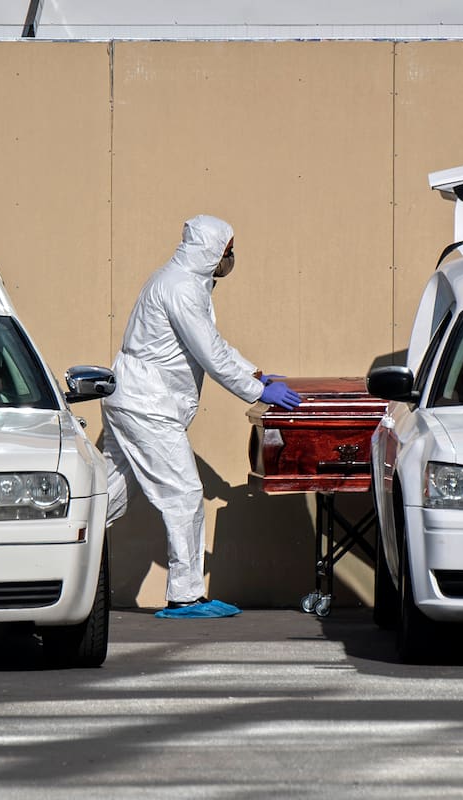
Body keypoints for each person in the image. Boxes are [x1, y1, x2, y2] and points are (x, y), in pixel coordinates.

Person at [101, 214, 302, 619]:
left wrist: (256, 373)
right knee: (184, 495)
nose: (231, 259)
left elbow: (213, 343)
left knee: (107, 492)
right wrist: (259, 391)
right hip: (147, 404)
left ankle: (44, 546)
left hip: (134, 397)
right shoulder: (180, 288)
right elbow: (210, 355)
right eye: (229, 251)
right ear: (211, 251)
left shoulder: (182, 282)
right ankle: (186, 595)